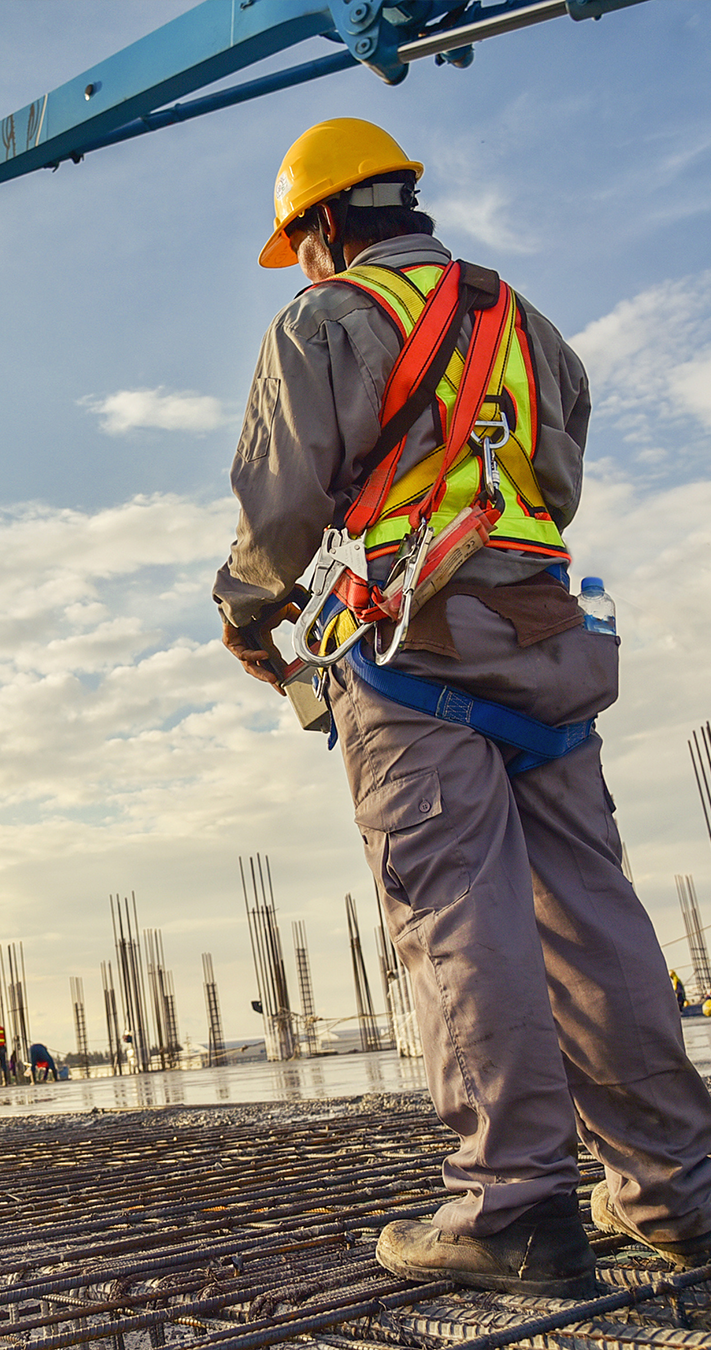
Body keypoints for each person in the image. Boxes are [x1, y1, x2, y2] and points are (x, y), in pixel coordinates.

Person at [214, 117, 711, 1297]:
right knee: (594, 917)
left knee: (456, 915)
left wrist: (245, 610)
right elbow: (558, 476)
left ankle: (516, 1205)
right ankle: (683, 1196)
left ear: (325, 223)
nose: (308, 264)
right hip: (543, 638)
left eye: (306, 244)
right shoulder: (527, 326)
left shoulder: (326, 320)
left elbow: (282, 507)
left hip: (408, 649)